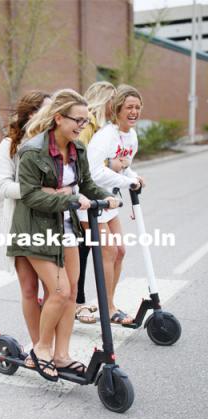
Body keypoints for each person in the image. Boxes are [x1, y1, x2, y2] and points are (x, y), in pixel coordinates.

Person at [7, 89, 118, 381]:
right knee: (60, 291)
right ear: (58, 118)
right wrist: (66, 198)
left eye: (86, 121)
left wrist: (106, 197)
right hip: (34, 229)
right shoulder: (32, 150)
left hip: (65, 228)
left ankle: (62, 355)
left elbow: (87, 185)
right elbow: (30, 196)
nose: (83, 126)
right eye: (78, 120)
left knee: (70, 296)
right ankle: (41, 349)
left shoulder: (77, 149)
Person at [77, 84, 145, 325]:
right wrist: (128, 181)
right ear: (117, 109)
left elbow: (124, 165)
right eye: (129, 107)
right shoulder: (105, 136)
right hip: (92, 201)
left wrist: (133, 176)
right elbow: (94, 172)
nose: (134, 111)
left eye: (137, 107)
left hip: (111, 201)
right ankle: (108, 308)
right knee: (108, 251)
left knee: (121, 251)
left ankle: (109, 302)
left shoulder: (132, 136)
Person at [0, 90, 51, 367]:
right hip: (21, 222)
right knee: (29, 289)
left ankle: (48, 347)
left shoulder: (53, 143)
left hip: (51, 223)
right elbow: (2, 185)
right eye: (48, 110)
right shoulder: (9, 145)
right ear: (31, 114)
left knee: (54, 289)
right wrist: (36, 191)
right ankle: (39, 347)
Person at [76, 81, 117, 324]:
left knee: (87, 249)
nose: (116, 105)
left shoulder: (101, 126)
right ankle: (79, 303)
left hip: (92, 196)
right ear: (104, 100)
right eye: (114, 100)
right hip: (83, 197)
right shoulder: (87, 124)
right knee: (83, 251)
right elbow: (82, 162)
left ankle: (88, 302)